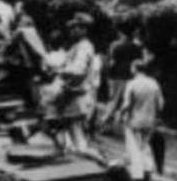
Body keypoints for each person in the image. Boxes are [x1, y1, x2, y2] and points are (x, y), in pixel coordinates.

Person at [57, 12, 96, 151]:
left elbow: (78, 70)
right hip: (73, 93)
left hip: (77, 94)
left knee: (76, 132)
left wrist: (60, 72)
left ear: (84, 29)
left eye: (76, 27)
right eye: (72, 28)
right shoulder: (77, 46)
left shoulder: (84, 46)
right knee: (71, 131)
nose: (72, 30)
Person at [120, 59, 163, 181]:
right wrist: (156, 115)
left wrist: (121, 113)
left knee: (134, 146)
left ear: (135, 69)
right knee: (145, 145)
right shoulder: (154, 83)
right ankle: (147, 170)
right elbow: (161, 104)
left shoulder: (132, 84)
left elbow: (127, 104)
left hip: (135, 120)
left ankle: (137, 174)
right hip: (150, 120)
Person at [101, 25, 144, 131]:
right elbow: (139, 62)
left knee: (114, 100)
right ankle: (122, 125)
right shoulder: (137, 48)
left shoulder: (118, 47)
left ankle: (106, 123)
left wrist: (108, 75)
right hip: (130, 77)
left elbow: (112, 63)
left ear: (124, 35)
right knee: (126, 101)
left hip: (117, 76)